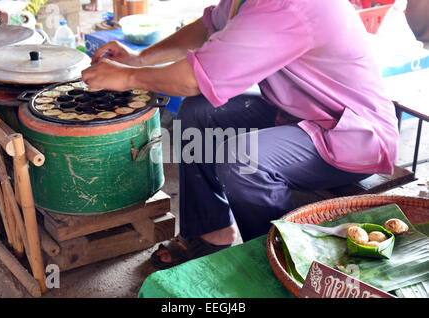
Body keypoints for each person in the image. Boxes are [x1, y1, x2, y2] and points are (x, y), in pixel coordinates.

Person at [81, 0, 399, 269]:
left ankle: (282, 261)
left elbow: (195, 78)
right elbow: (207, 27)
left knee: (242, 158)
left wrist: (127, 77)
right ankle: (211, 230)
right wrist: (139, 58)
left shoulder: (287, 6)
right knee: (199, 112)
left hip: (351, 134)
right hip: (298, 113)